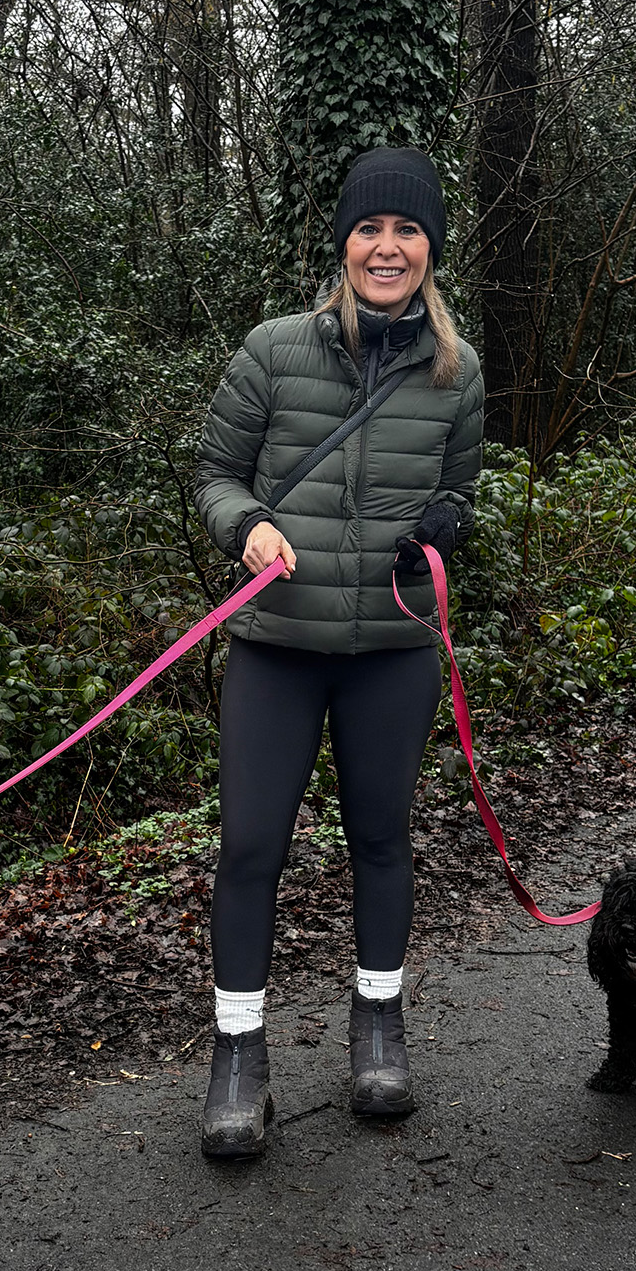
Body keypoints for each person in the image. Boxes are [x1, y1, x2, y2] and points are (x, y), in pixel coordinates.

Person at [191, 146, 484, 1158]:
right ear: (345, 245)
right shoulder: (274, 350)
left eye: (407, 232)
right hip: (279, 645)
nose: (388, 247)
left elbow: (462, 489)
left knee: (381, 840)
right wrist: (247, 528)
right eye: (371, 230)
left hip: (392, 648)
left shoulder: (457, 370)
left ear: (431, 251)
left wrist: (446, 520)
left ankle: (378, 1029)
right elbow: (217, 471)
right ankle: (238, 1055)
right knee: (250, 846)